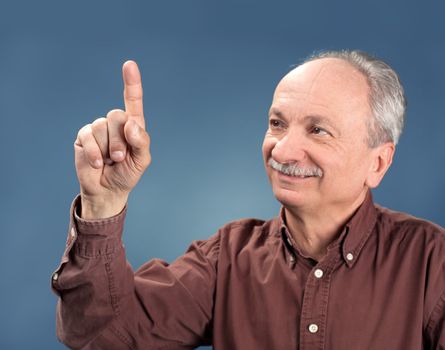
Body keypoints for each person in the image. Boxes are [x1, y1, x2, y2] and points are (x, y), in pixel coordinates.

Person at [52, 50, 445, 349]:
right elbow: (103, 336)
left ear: (378, 162)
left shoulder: (431, 262)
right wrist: (103, 202)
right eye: (277, 124)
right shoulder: (227, 259)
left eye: (318, 130)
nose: (284, 150)